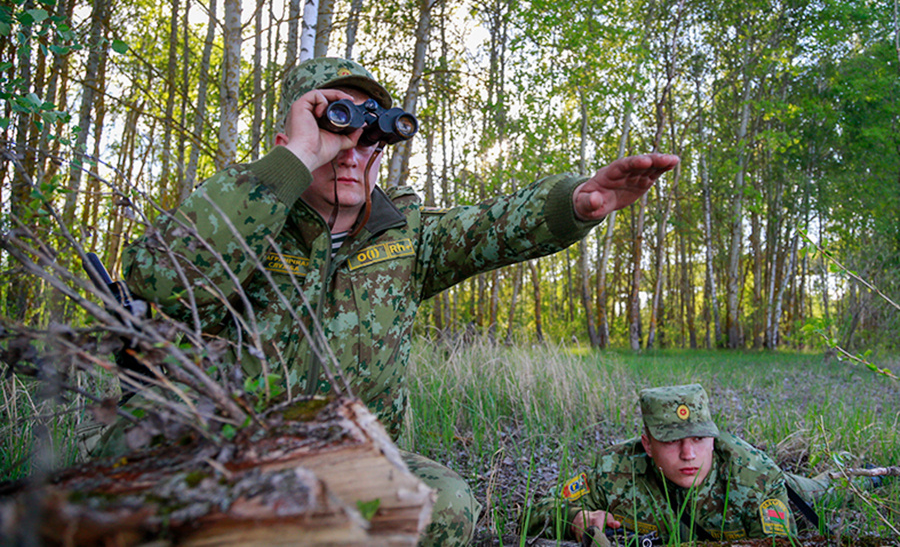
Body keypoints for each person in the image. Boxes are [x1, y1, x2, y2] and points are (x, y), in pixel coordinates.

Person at [119, 57, 680, 546]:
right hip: (224, 459)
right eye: (333, 127)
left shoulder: (404, 235)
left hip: (345, 463)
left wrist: (576, 203)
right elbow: (161, 280)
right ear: (290, 140)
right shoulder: (242, 219)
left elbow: (493, 225)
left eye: (367, 136)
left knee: (446, 505)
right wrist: (293, 163)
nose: (350, 152)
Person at [523, 383, 860, 544]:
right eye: (671, 441)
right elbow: (533, 514)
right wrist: (574, 518)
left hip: (790, 492)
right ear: (648, 444)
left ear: (713, 438)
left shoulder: (754, 477)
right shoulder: (613, 471)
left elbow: (779, 544)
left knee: (829, 489)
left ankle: (861, 472)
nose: (688, 454)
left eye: (699, 439)